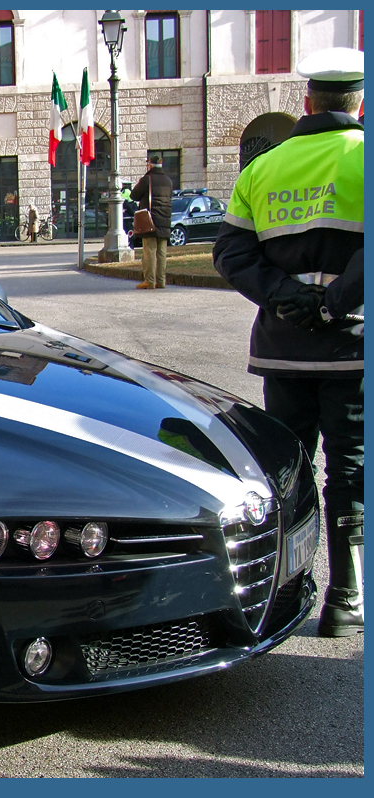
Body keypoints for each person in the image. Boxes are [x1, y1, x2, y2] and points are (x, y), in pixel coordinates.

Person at [212, 47, 364, 637]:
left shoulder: (263, 168)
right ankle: (344, 596)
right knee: (350, 467)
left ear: (307, 103)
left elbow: (230, 253)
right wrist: (334, 301)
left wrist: (285, 297)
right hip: (352, 344)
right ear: (358, 103)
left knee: (288, 468)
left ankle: (280, 588)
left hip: (283, 347)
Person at [130, 154, 173, 288]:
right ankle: (161, 280)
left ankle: (149, 280)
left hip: (150, 220)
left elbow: (134, 195)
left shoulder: (147, 180)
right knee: (161, 253)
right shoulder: (168, 181)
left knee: (149, 251)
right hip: (165, 219)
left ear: (149, 164)